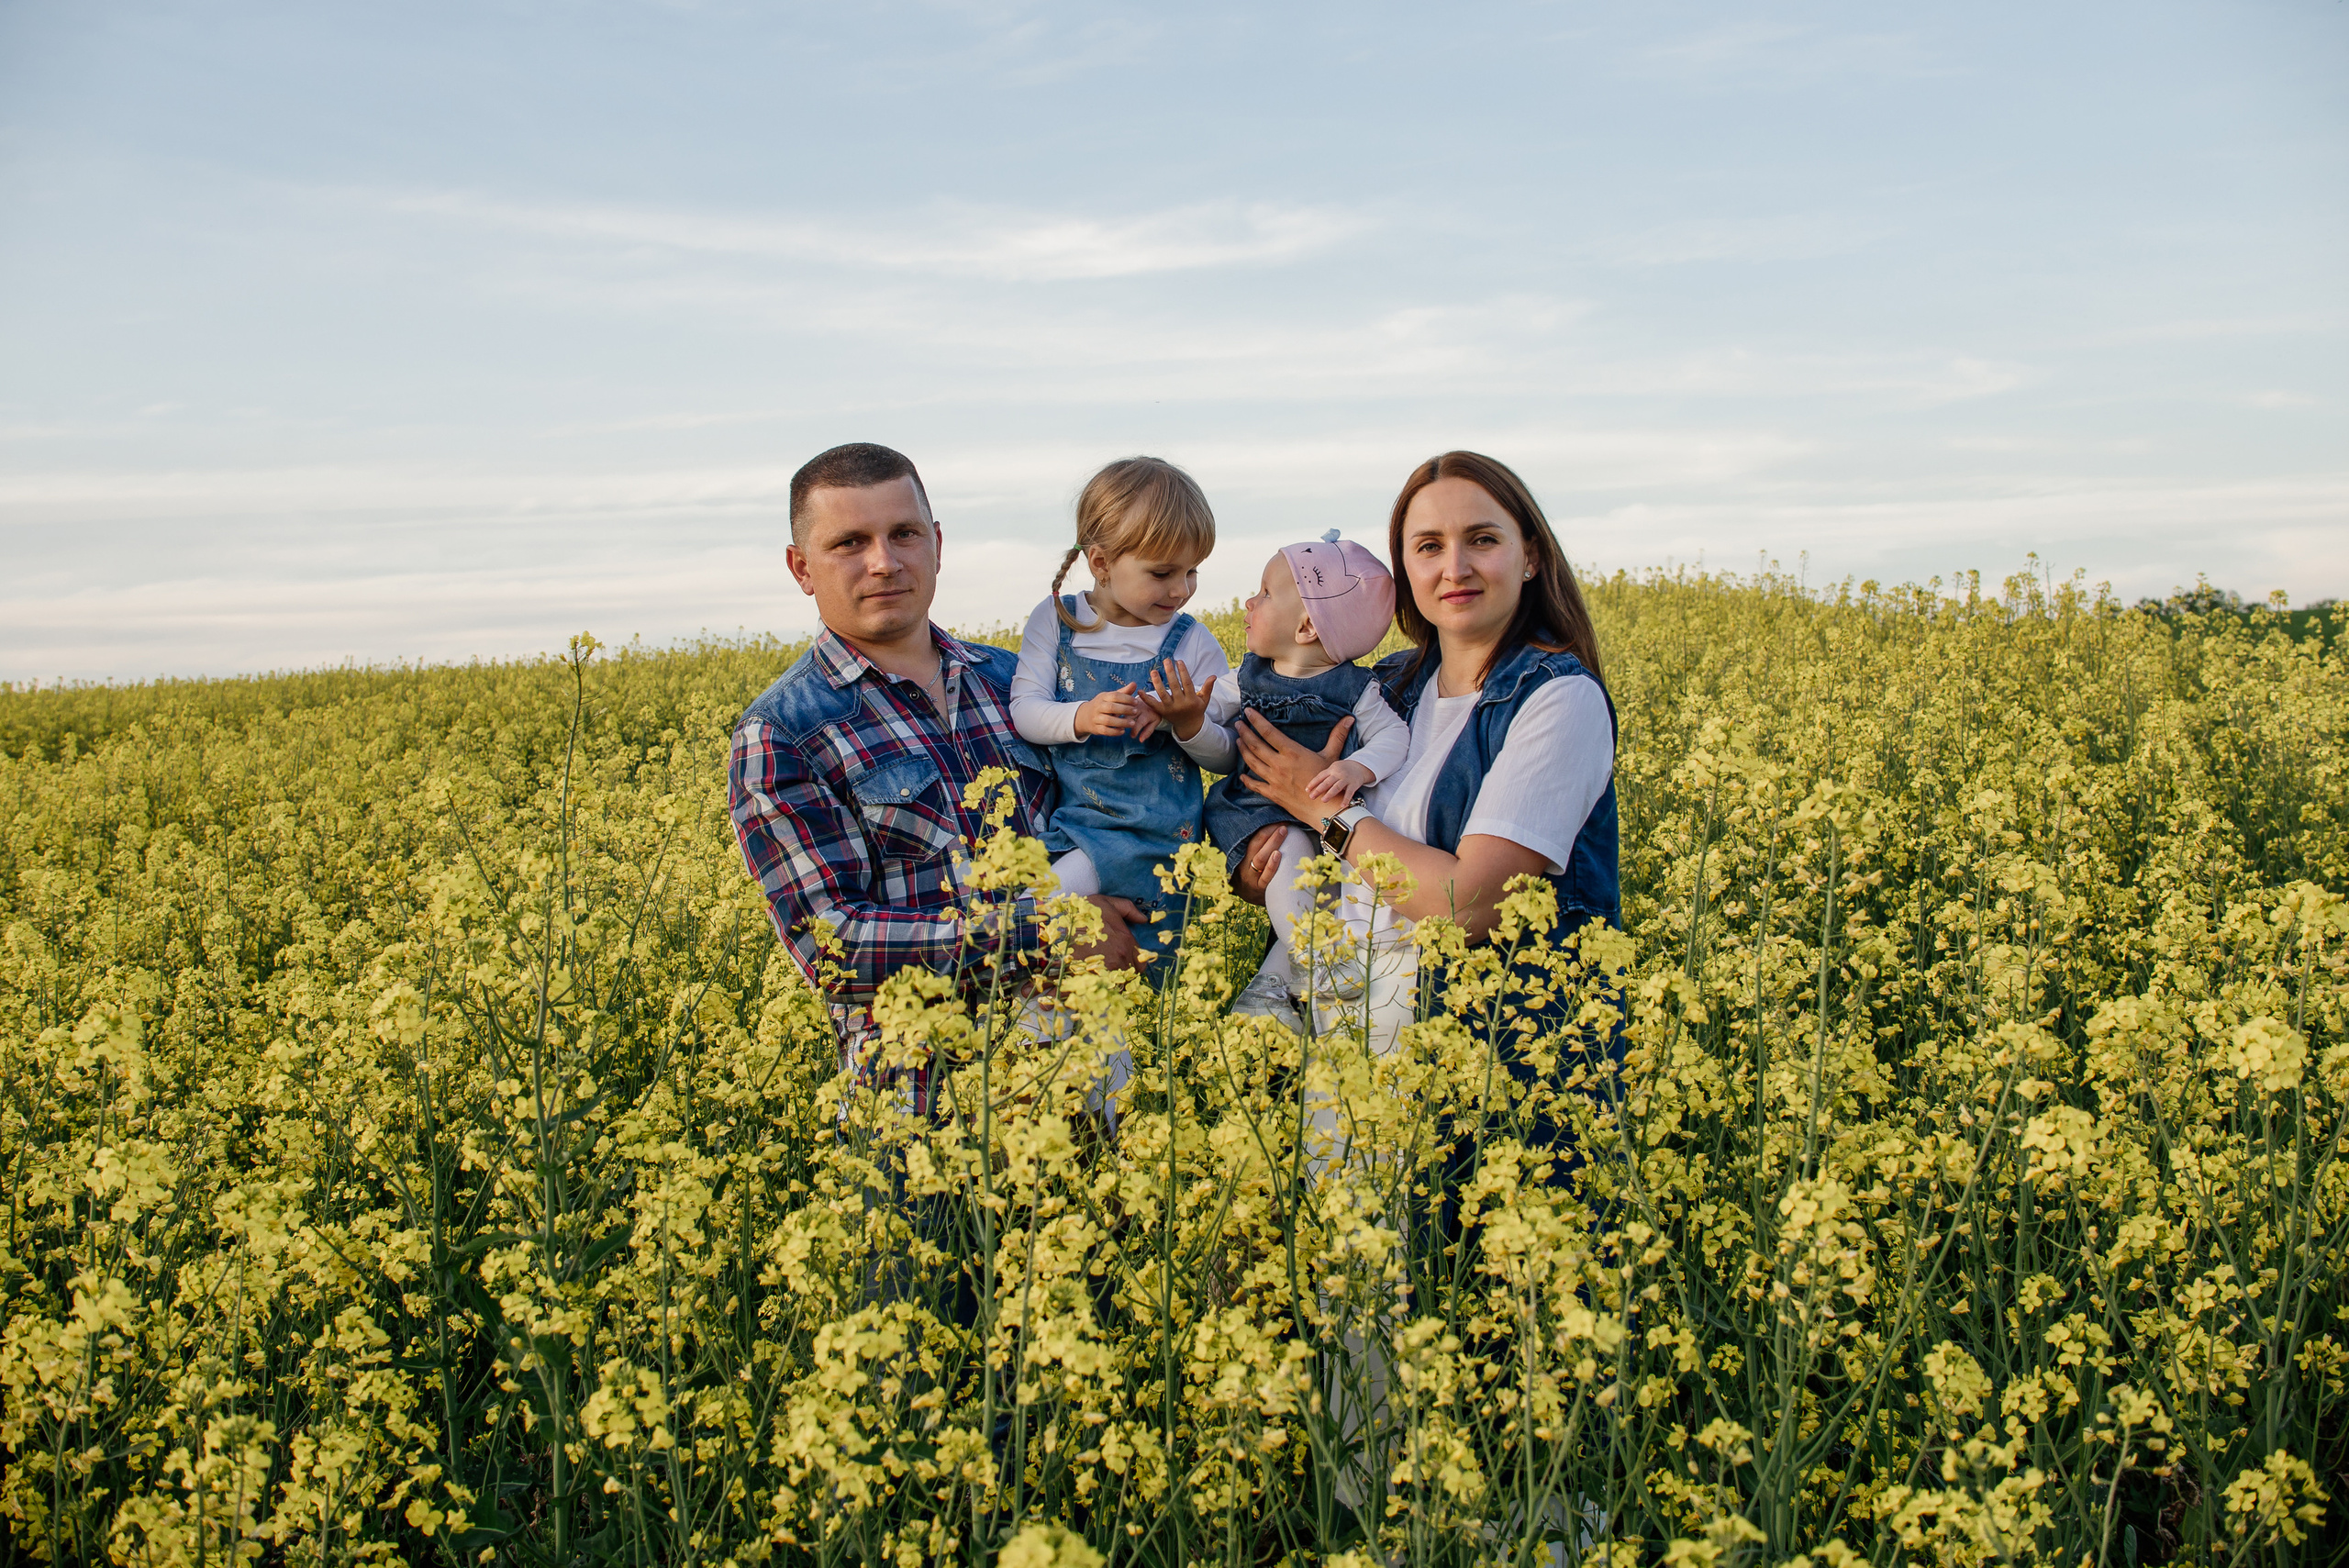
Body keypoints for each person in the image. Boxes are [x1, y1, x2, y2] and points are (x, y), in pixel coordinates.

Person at [730, 442, 1146, 1101]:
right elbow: (834, 942)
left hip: (1089, 1082)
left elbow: (1124, 808)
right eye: (849, 542)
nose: (884, 562)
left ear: (938, 544)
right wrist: (1046, 935)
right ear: (801, 567)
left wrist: (1259, 830)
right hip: (928, 1119)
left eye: (904, 533)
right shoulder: (785, 731)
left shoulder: (1019, 683)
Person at [1230, 450, 1618, 1059]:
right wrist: (1264, 857)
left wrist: (1323, 812)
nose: (1454, 567)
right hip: (1345, 1066)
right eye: (1429, 546)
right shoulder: (1380, 692)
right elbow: (1311, 849)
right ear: (1405, 567)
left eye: (1482, 539)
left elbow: (1469, 904)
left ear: (1531, 557)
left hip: (1485, 1086)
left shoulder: (1557, 699)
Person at [1008, 457, 1228, 962]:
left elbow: (1226, 755)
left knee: (1035, 921)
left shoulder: (1191, 640)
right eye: (1162, 573)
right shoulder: (1057, 620)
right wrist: (1080, 718)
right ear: (1101, 562)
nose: (1182, 590)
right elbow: (1025, 709)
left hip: (1154, 838)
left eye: (1192, 571)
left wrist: (1188, 723)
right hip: (1076, 829)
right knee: (1063, 956)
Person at [1198, 531, 1409, 1029]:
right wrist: (1182, 717)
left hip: (1325, 815)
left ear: (1308, 626)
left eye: (1266, 593)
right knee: (1290, 858)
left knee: (1334, 893)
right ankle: (1318, 965)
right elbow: (1206, 715)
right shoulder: (1245, 677)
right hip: (1259, 811)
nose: (1249, 601)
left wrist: (1358, 768)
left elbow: (1393, 738)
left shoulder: (1357, 687)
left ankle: (1276, 984)